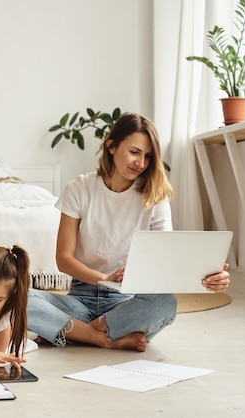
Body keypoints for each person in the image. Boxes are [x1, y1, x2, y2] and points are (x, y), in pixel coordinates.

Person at [28, 112, 230, 352]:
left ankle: (74, 333)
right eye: (134, 152)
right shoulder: (79, 188)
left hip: (127, 303)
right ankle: (103, 337)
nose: (141, 163)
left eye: (147, 156)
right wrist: (105, 278)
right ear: (111, 146)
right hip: (79, 300)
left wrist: (205, 276)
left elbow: (167, 258)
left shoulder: (155, 196)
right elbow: (64, 259)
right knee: (18, 297)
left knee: (164, 303)